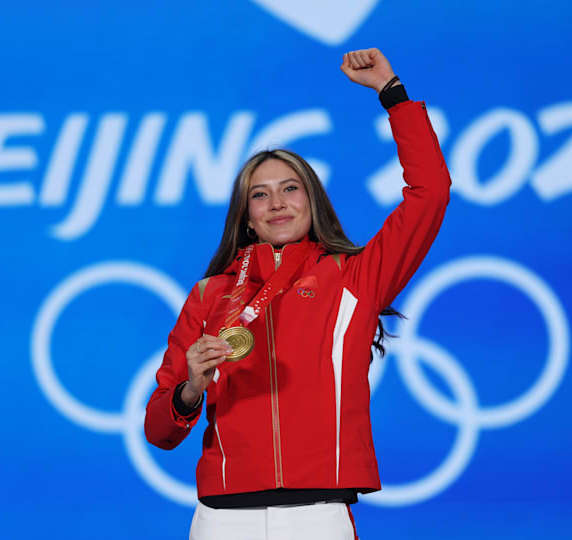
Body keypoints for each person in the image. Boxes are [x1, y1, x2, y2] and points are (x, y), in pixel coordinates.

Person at [144, 48, 452, 540]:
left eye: (291, 189)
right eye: (260, 194)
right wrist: (190, 389)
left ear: (312, 201)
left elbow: (431, 192)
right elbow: (160, 432)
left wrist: (393, 95)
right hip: (222, 520)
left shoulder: (356, 277)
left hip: (318, 517)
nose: (277, 203)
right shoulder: (209, 295)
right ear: (246, 215)